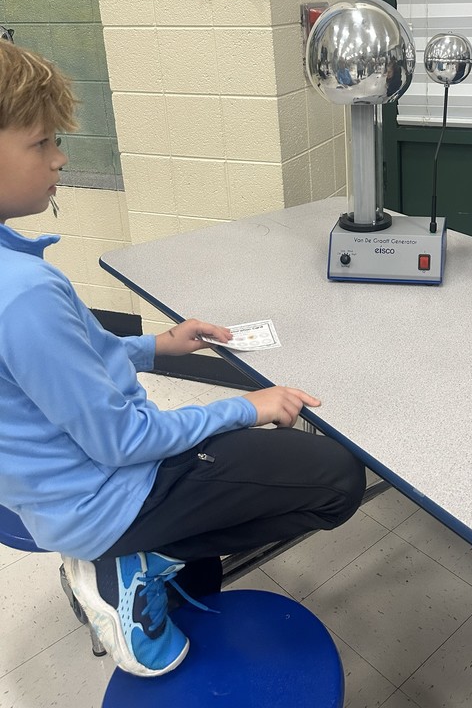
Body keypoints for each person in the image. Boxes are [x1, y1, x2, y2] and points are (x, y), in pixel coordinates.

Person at [0, 42, 366, 677]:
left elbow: (53, 371)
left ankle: (146, 552)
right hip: (106, 493)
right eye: (41, 143)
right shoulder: (23, 295)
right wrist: (242, 409)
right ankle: (131, 558)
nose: (60, 158)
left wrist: (157, 345)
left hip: (51, 487)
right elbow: (123, 439)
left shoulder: (14, 270)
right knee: (338, 480)